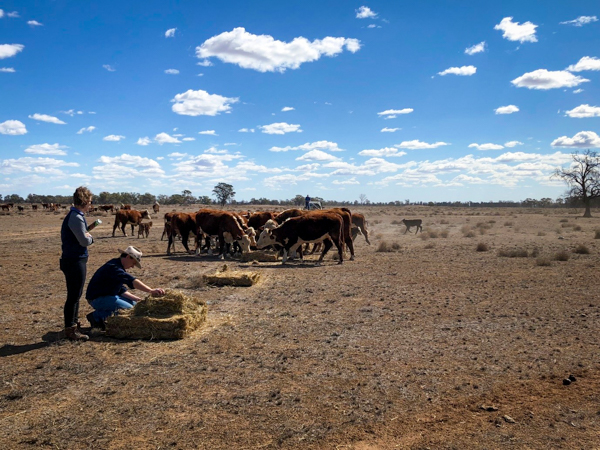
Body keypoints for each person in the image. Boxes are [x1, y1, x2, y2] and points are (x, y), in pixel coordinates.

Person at [85, 246, 165, 330]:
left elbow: (121, 290)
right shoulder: (113, 267)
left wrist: (136, 299)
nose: (133, 266)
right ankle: (96, 316)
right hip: (98, 299)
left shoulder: (117, 266)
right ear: (127, 257)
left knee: (136, 307)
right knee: (129, 310)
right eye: (133, 263)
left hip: (110, 296)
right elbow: (131, 280)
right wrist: (150, 290)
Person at [60, 186, 94, 341]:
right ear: (85, 201)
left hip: (73, 259)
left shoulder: (75, 215)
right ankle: (70, 329)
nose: (91, 205)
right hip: (74, 260)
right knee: (74, 295)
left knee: (76, 294)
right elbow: (84, 240)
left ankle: (72, 324)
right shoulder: (76, 216)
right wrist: (90, 237)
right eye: (90, 202)